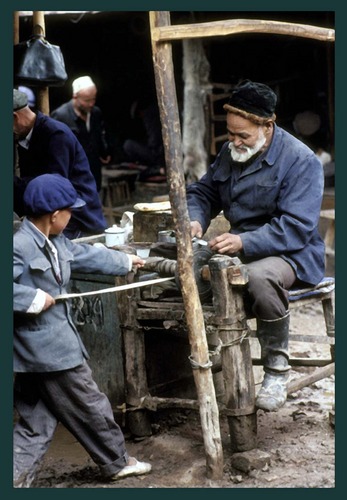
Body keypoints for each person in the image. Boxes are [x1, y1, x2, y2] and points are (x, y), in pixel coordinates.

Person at [186, 80, 325, 412]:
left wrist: (243, 241)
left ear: (267, 124)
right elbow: (204, 192)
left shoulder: (300, 160)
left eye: (243, 135)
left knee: (258, 278)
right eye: (231, 133)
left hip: (291, 251)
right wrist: (195, 220)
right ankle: (214, 351)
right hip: (239, 245)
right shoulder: (231, 151)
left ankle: (276, 368)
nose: (234, 141)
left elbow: (297, 227)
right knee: (187, 264)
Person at [13, 173, 152, 487]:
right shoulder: (18, 246)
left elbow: (87, 256)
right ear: (55, 215)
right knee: (92, 405)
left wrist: (125, 261)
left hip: (44, 351)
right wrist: (32, 298)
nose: (72, 215)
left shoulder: (55, 241)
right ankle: (117, 461)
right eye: (70, 211)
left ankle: (12, 479)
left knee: (37, 422)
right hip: (50, 352)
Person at [13, 88, 107, 239]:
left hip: (76, 215)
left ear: (15, 117)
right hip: (53, 212)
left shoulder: (56, 135)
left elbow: (54, 189)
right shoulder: (25, 136)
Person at [51, 76, 112, 192]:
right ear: (75, 96)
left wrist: (104, 152)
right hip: (73, 174)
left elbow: (100, 135)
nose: (91, 104)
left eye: (93, 99)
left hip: (93, 170)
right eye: (87, 100)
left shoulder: (96, 113)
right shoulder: (60, 116)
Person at [123, 98, 165, 180]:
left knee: (128, 145)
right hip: (160, 153)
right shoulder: (155, 112)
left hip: (158, 156)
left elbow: (154, 141)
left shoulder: (149, 116)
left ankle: (155, 167)